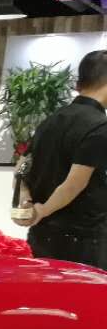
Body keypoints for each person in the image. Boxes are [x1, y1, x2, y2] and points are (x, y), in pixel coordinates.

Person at [22, 50, 107, 268]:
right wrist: (43, 210)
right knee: (84, 291)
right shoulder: (99, 125)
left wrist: (27, 204)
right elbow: (74, 184)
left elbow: (21, 168)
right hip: (82, 240)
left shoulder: (50, 121)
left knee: (45, 288)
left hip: (42, 235)